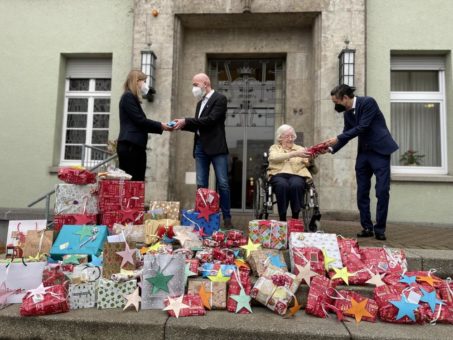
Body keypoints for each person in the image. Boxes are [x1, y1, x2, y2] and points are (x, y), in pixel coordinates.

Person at [324, 84, 399, 241]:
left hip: (380, 151)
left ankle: (380, 229)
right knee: (362, 192)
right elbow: (347, 134)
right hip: (364, 154)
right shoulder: (347, 113)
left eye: (336, 102)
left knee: (382, 191)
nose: (335, 105)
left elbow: (362, 127)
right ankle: (367, 227)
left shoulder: (368, 102)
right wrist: (330, 149)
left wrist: (337, 138)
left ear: (345, 98)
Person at [172, 73, 232, 228]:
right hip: (200, 147)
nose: (194, 88)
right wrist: (182, 125)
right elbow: (199, 125)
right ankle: (202, 216)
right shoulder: (199, 104)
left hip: (217, 148)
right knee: (201, 184)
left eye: (195, 84)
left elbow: (211, 120)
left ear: (206, 83)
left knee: (223, 183)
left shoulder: (220, 99)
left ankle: (227, 218)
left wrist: (187, 121)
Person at [117, 70, 171, 181]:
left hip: (134, 146)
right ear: (137, 81)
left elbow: (139, 121)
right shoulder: (128, 97)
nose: (145, 84)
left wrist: (161, 126)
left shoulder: (131, 97)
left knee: (136, 182)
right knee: (134, 183)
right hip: (130, 146)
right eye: (144, 81)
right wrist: (161, 125)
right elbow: (140, 121)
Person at [267, 124, 314, 222]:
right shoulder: (274, 148)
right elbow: (273, 158)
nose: (291, 139)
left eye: (292, 136)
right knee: (282, 185)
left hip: (297, 174)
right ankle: (282, 217)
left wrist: (311, 157)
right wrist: (294, 154)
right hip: (278, 174)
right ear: (280, 138)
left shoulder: (300, 148)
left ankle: (295, 217)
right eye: (287, 136)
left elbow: (307, 163)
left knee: (296, 185)